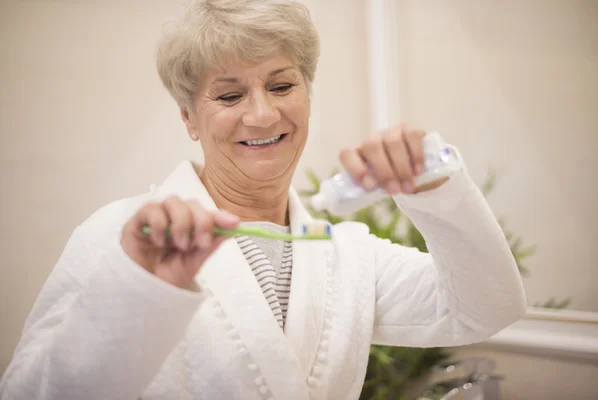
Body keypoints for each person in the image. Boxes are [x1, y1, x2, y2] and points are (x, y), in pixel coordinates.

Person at [0, 0, 526, 399]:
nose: (263, 115)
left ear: (307, 93)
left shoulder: (344, 252)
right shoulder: (117, 235)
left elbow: (484, 309)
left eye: (281, 86)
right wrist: (139, 293)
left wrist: (432, 187)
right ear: (188, 118)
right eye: (229, 95)